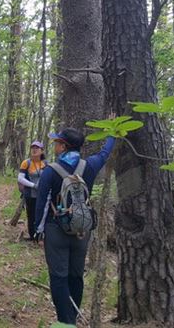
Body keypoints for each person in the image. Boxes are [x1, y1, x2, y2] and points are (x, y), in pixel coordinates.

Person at [34, 125, 115, 325]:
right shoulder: (90, 165)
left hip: (56, 229)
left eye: (57, 143)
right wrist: (112, 132)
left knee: (58, 277)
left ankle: (65, 321)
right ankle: (73, 316)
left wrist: (38, 230)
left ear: (63, 146)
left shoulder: (50, 171)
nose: (54, 146)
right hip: (81, 230)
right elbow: (105, 153)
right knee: (76, 276)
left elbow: (42, 203)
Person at [17, 141, 47, 241]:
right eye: (32, 148)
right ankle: (32, 235)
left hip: (43, 194)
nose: (34, 150)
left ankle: (40, 234)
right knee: (31, 215)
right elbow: (20, 178)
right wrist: (33, 185)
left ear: (42, 151)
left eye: (37, 148)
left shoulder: (46, 164)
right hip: (30, 194)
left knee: (42, 214)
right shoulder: (26, 163)